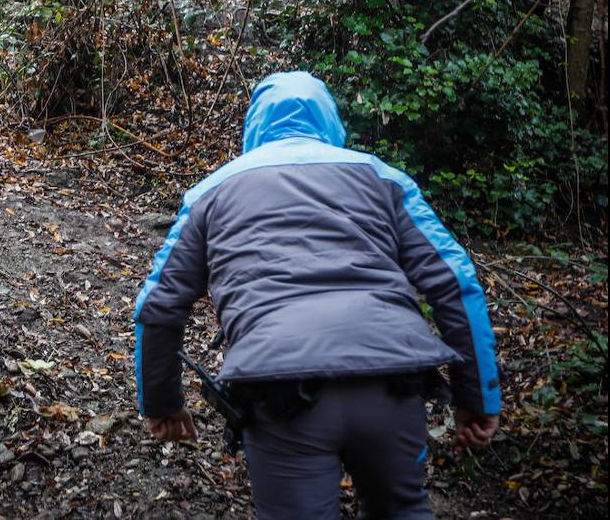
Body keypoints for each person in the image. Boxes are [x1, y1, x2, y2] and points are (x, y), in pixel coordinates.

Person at [133, 71, 501, 520]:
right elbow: (456, 282)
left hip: (280, 388)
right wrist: (478, 398)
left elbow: (159, 303)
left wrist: (162, 402)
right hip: (390, 379)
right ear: (332, 121)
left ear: (254, 125)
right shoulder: (383, 178)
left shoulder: (211, 191)